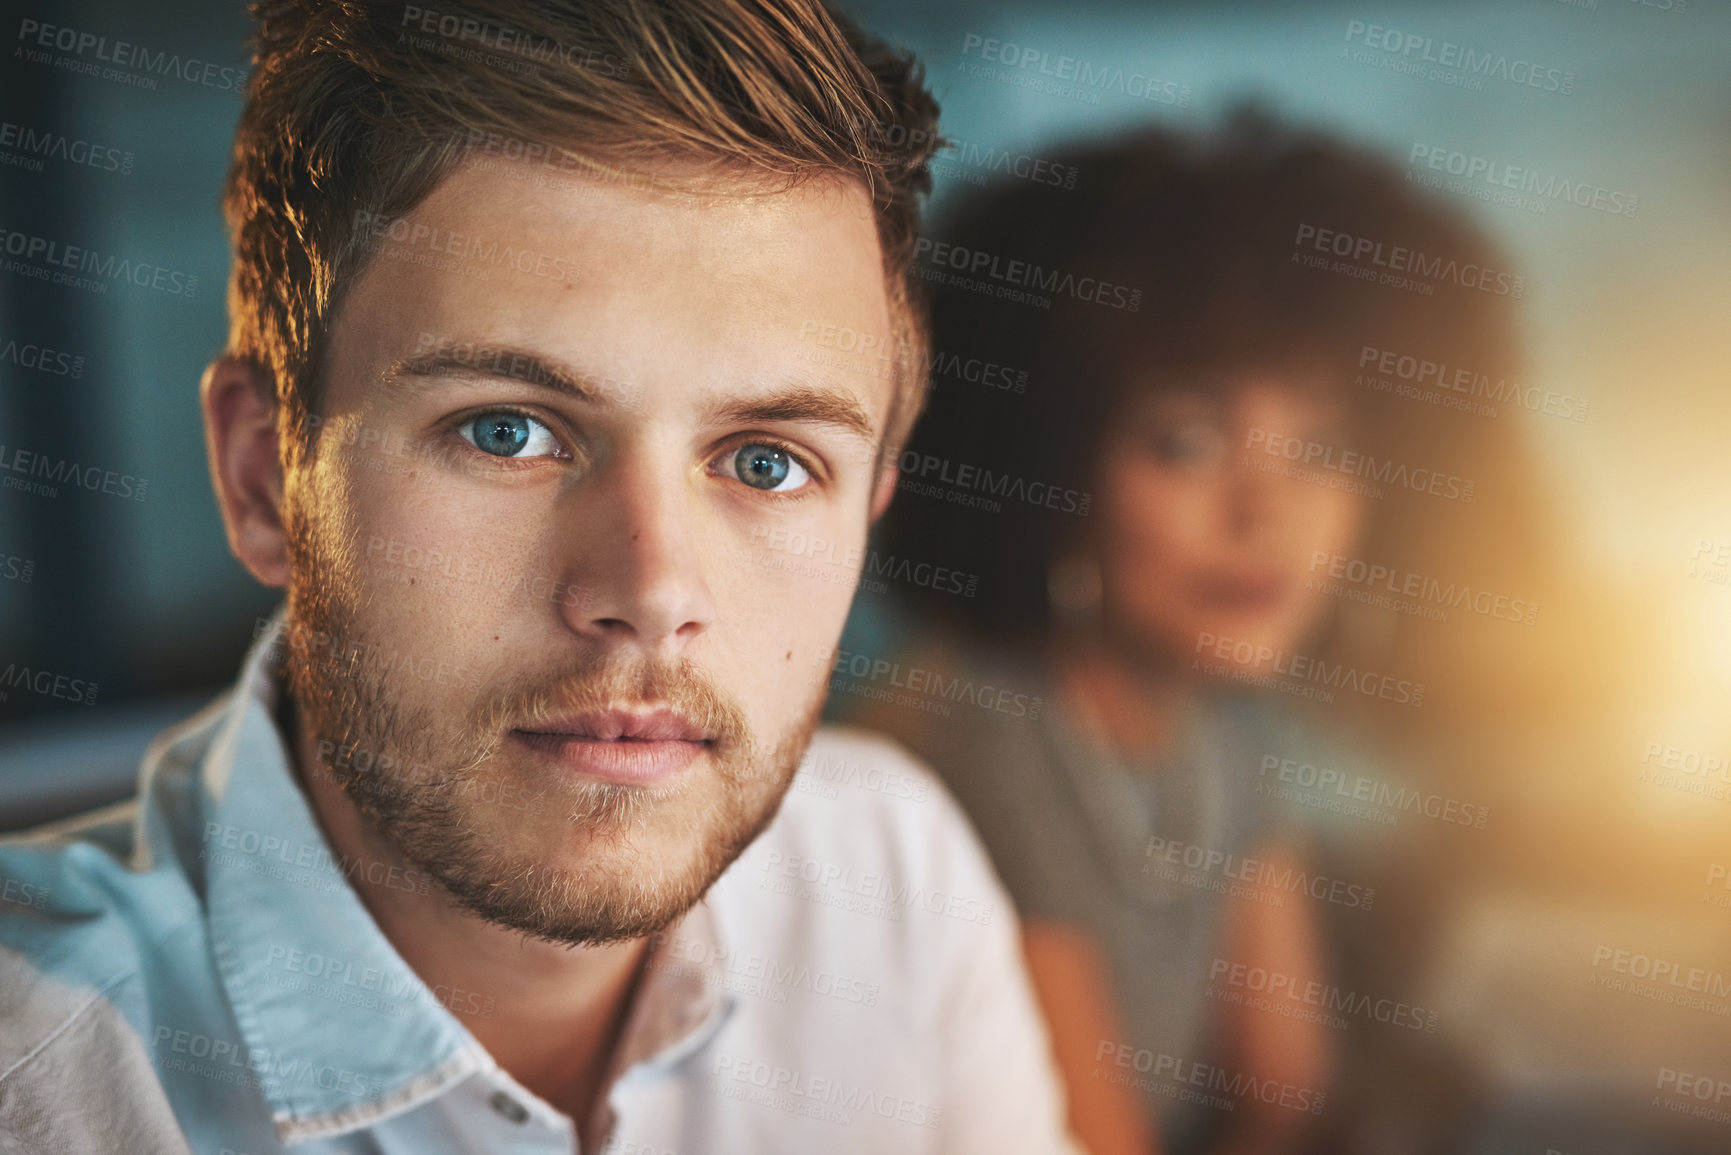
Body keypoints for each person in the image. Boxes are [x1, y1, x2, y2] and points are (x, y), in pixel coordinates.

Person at [0, 2, 1082, 1153]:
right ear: (266, 478)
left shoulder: (886, 875)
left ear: (869, 512)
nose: (652, 590)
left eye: (767, 462)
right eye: (507, 433)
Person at [856, 111, 1536, 1155]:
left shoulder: (1223, 742)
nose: (1265, 509)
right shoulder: (980, 744)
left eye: (1319, 450)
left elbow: (1291, 1095)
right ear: (1054, 463)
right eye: (1186, 442)